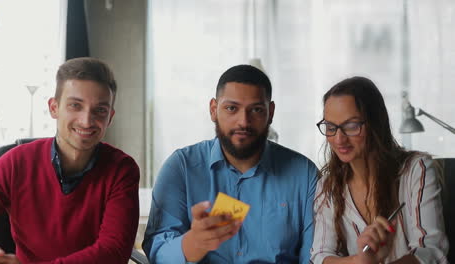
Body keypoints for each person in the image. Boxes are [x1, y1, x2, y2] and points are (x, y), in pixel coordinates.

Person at [143, 64, 318, 263]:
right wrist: (192, 243)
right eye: (231, 108)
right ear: (213, 110)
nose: (243, 121)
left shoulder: (304, 175)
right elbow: (156, 251)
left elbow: (314, 256)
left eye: (256, 110)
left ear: (270, 112)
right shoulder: (181, 167)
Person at [0, 57, 140, 263]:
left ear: (109, 118)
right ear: (54, 108)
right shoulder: (15, 162)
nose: (86, 121)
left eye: (100, 111)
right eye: (75, 106)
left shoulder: (121, 170)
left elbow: (114, 251)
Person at [310, 76, 448, 263]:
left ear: (376, 122)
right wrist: (360, 261)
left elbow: (431, 251)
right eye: (331, 127)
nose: (339, 139)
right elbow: (321, 255)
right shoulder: (328, 185)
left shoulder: (416, 169)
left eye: (351, 126)